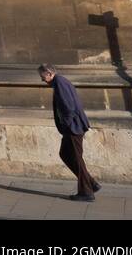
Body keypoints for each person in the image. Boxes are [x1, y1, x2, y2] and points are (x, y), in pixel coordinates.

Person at [40, 63, 100, 201]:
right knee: (66, 154)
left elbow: (70, 108)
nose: (42, 80)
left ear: (49, 73)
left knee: (76, 158)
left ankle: (87, 192)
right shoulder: (59, 82)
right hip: (73, 127)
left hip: (74, 127)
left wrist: (65, 125)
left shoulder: (60, 82)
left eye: (42, 76)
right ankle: (90, 183)